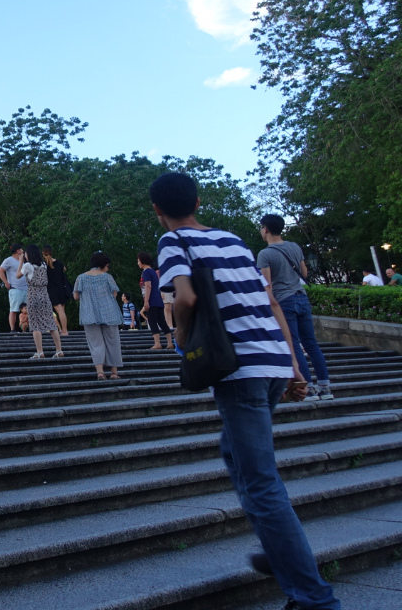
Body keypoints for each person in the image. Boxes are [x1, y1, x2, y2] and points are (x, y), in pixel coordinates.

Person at [150, 171, 338, 610]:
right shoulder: (234, 240)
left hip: (239, 368)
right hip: (271, 359)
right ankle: (282, 553)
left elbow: (186, 298)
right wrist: (293, 365)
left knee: (259, 483)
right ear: (197, 200)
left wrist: (180, 339)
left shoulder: (173, 241)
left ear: (158, 211)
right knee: (238, 458)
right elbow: (271, 302)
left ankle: (314, 597)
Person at [258, 214, 334, 401]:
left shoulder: (265, 254)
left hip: (284, 301)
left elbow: (267, 285)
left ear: (266, 229)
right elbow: (304, 272)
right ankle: (325, 387)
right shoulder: (294, 246)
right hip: (301, 297)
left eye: (261, 227)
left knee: (295, 346)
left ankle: (306, 388)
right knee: (311, 344)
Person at [73, 252, 123, 379]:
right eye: (107, 266)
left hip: (89, 314)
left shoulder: (81, 277)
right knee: (113, 342)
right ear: (104, 265)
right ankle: (114, 372)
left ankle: (100, 371)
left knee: (95, 343)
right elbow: (114, 293)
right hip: (109, 313)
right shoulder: (107, 277)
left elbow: (76, 296)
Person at [18, 244, 63, 359]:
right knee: (51, 324)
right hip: (44, 295)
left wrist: (20, 263)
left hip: (33, 295)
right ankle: (59, 350)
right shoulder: (43, 264)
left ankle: (40, 351)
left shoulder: (27, 265)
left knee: (35, 325)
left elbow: (18, 275)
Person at [138, 251, 173, 350]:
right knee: (162, 321)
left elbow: (148, 286)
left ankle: (157, 343)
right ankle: (169, 342)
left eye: (138, 261)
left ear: (142, 261)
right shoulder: (153, 271)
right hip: (158, 300)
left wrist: (146, 301)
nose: (138, 263)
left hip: (152, 300)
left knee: (152, 321)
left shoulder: (146, 272)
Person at [42, 245, 71, 335]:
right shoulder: (58, 262)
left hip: (51, 290)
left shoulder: (44, 265)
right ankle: (63, 329)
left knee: (59, 310)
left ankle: (64, 331)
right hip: (61, 288)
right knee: (62, 310)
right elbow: (64, 269)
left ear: (43, 253)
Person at [0, 244, 28, 331]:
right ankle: (12, 328)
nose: (23, 250)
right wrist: (6, 282)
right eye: (21, 249)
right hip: (15, 288)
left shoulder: (24, 260)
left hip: (25, 288)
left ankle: (26, 328)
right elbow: (0, 271)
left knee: (28, 309)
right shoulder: (8, 260)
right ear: (18, 251)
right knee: (14, 309)